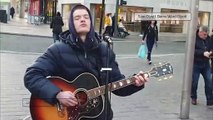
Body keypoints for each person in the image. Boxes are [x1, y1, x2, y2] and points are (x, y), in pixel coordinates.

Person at [24, 4, 148, 120]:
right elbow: (31, 75)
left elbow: (116, 85)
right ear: (71, 24)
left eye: (86, 17)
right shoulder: (58, 50)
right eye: (77, 18)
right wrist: (57, 94)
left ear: (90, 22)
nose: (82, 20)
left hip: (100, 115)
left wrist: (135, 83)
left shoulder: (104, 50)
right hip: (67, 115)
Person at [191, 26, 213, 106]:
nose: (205, 36)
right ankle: (193, 97)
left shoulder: (209, 39)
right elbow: (192, 50)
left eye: (206, 34)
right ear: (200, 32)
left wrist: (210, 53)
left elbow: (211, 47)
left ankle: (210, 100)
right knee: (194, 82)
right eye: (204, 34)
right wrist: (202, 53)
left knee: (209, 82)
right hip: (196, 63)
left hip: (206, 63)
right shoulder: (194, 38)